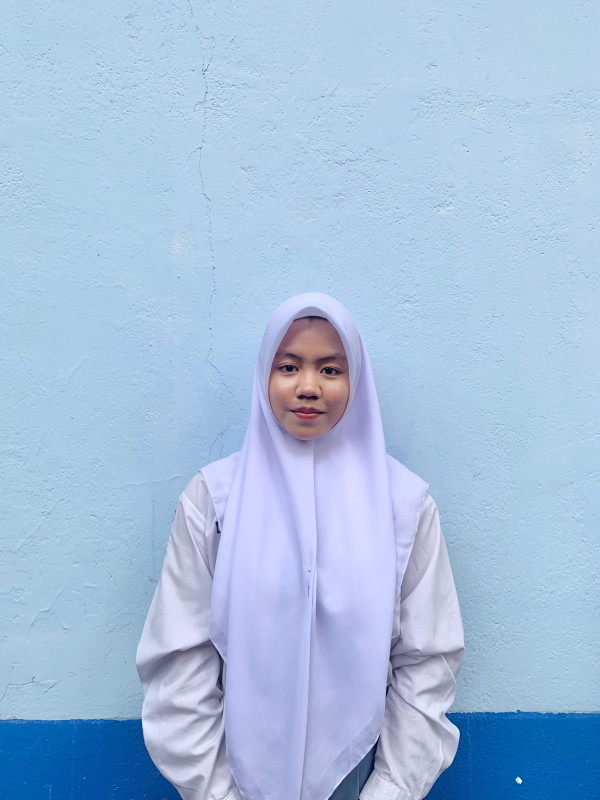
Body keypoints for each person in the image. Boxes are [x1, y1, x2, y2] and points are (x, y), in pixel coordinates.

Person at [136, 293, 464, 800]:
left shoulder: (403, 506)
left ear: (356, 381)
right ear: (264, 376)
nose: (308, 386)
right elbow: (178, 660)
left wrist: (390, 789)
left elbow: (428, 660)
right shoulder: (216, 501)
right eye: (288, 366)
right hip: (230, 778)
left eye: (330, 369)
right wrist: (217, 791)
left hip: (364, 776)